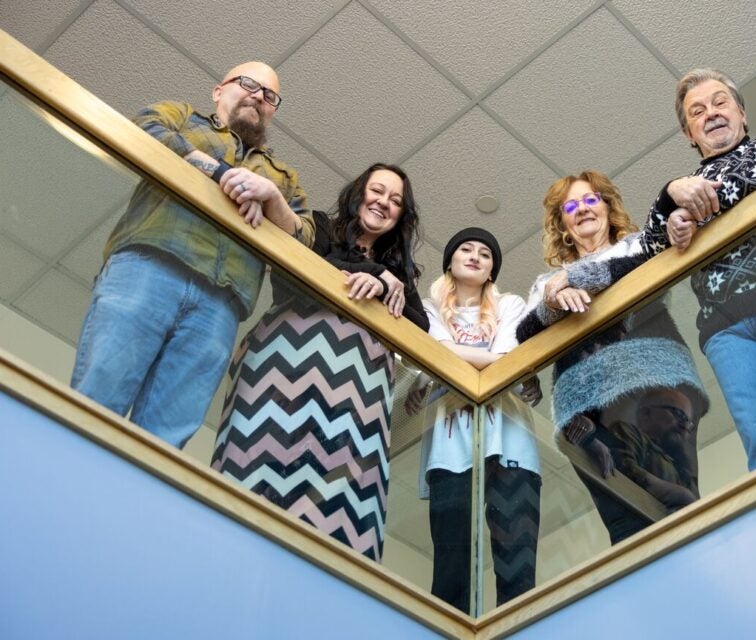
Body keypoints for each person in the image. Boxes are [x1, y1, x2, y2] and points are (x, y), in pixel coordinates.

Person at [553, 69, 756, 471]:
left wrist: (691, 207)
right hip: (724, 324)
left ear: (742, 113)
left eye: (720, 102)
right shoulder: (681, 192)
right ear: (689, 134)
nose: (711, 113)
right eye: (697, 112)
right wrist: (670, 196)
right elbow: (650, 246)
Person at [71, 62, 313, 448]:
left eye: (269, 95)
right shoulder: (183, 116)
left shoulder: (282, 177)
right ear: (218, 91)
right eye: (248, 84)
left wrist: (270, 198)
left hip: (221, 306)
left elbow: (306, 239)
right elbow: (144, 128)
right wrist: (221, 174)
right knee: (95, 399)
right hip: (150, 266)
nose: (258, 96)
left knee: (165, 441)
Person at [211, 163, 428, 563]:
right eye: (377, 191)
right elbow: (294, 273)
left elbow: (421, 329)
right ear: (358, 193)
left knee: (337, 509)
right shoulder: (321, 228)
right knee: (253, 492)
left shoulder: (401, 276)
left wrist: (384, 280)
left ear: (402, 216)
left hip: (354, 404)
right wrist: (375, 275)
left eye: (395, 200)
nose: (384, 202)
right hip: (282, 375)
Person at [517, 171, 709, 545]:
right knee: (622, 519)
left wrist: (581, 276)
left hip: (656, 389)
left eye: (591, 200)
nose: (582, 209)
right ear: (563, 225)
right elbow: (524, 335)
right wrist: (555, 300)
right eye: (571, 206)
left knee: (679, 501)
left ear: (607, 207)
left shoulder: (636, 246)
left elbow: (648, 263)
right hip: (584, 411)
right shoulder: (547, 283)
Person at [404, 228, 543, 613]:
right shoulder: (428, 310)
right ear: (449, 261)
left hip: (513, 446)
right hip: (450, 451)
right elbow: (445, 356)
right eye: (466, 249)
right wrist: (493, 363)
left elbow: (503, 360)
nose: (475, 256)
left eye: (485, 253)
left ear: (491, 270)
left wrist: (446, 361)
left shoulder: (511, 305)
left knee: (517, 568)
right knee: (451, 568)